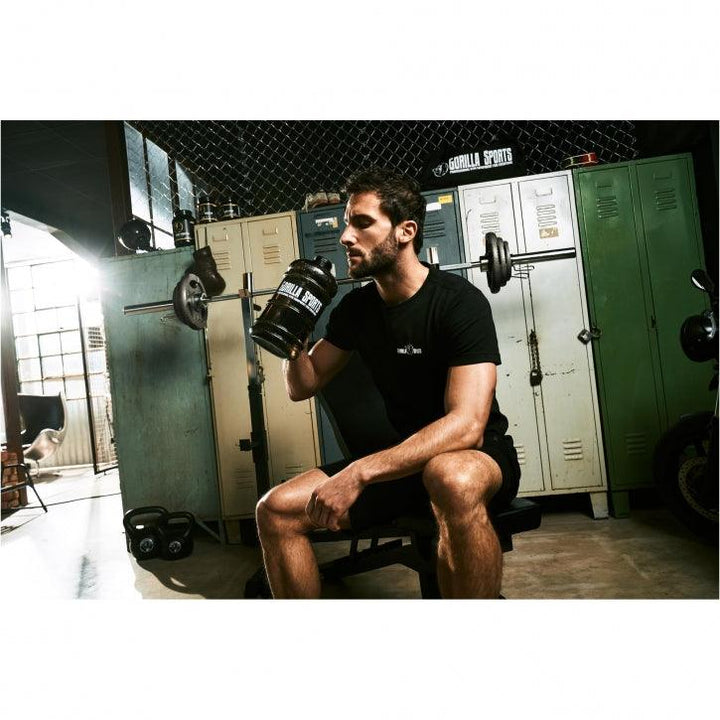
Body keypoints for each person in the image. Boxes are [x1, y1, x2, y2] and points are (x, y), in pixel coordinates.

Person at [255, 166, 520, 598]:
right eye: (346, 224)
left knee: (449, 475)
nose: (346, 237)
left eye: (362, 223)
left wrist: (359, 472)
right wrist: (293, 334)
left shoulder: (458, 303)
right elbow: (303, 385)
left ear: (405, 231)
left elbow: (468, 425)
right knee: (275, 510)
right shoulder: (356, 310)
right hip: (403, 464)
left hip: (476, 457)